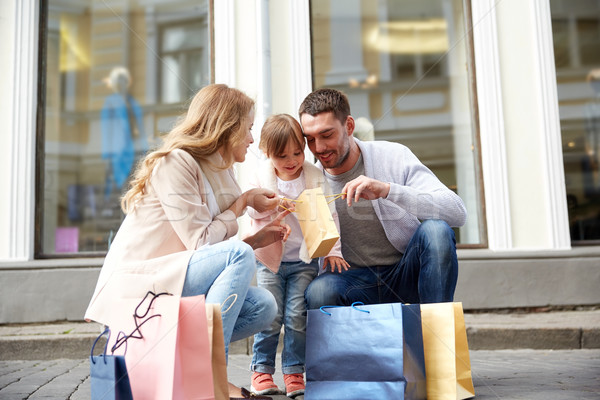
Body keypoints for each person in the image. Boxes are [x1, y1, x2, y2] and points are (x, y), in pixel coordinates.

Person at [85, 84, 290, 400]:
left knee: (264, 306)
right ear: (227, 127)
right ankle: (208, 375)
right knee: (237, 254)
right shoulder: (175, 162)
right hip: (141, 284)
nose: (252, 139)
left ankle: (189, 364)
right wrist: (243, 203)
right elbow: (201, 242)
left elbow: (212, 253)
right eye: (248, 129)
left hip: (174, 278)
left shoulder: (220, 173)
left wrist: (256, 235)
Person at [298, 88, 467, 309]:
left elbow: (456, 211)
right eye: (310, 139)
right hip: (350, 280)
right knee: (320, 291)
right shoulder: (309, 181)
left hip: (404, 271)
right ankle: (343, 344)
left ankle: (437, 335)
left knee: (436, 231)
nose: (318, 148)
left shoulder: (394, 156)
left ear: (349, 126)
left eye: (327, 135)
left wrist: (387, 190)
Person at [246, 114, 349, 398]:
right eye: (282, 156)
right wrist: (276, 203)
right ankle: (261, 371)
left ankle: (294, 371)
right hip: (270, 260)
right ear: (267, 153)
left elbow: (330, 215)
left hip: (303, 261)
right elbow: (253, 211)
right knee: (271, 316)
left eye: (297, 152)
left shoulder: (313, 177)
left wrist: (333, 250)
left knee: (296, 316)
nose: (291, 160)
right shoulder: (261, 177)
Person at [100, 66, 149, 203]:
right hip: (118, 151)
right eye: (119, 80)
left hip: (135, 149)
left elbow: (140, 126)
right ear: (115, 83)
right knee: (120, 187)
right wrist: (107, 154)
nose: (122, 83)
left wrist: (144, 148)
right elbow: (106, 129)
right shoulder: (110, 102)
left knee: (134, 186)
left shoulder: (132, 102)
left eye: (124, 80)